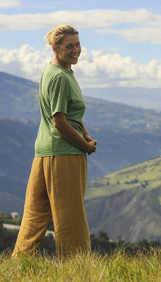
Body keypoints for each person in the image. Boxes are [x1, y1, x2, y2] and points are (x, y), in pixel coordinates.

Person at [12, 24, 97, 257]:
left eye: (77, 44)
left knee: (34, 215)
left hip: (44, 153)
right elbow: (59, 121)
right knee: (71, 216)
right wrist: (85, 145)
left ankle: (18, 264)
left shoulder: (52, 71)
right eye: (69, 46)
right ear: (55, 48)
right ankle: (76, 267)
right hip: (64, 154)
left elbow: (70, 115)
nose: (76, 49)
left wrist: (85, 134)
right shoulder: (60, 77)